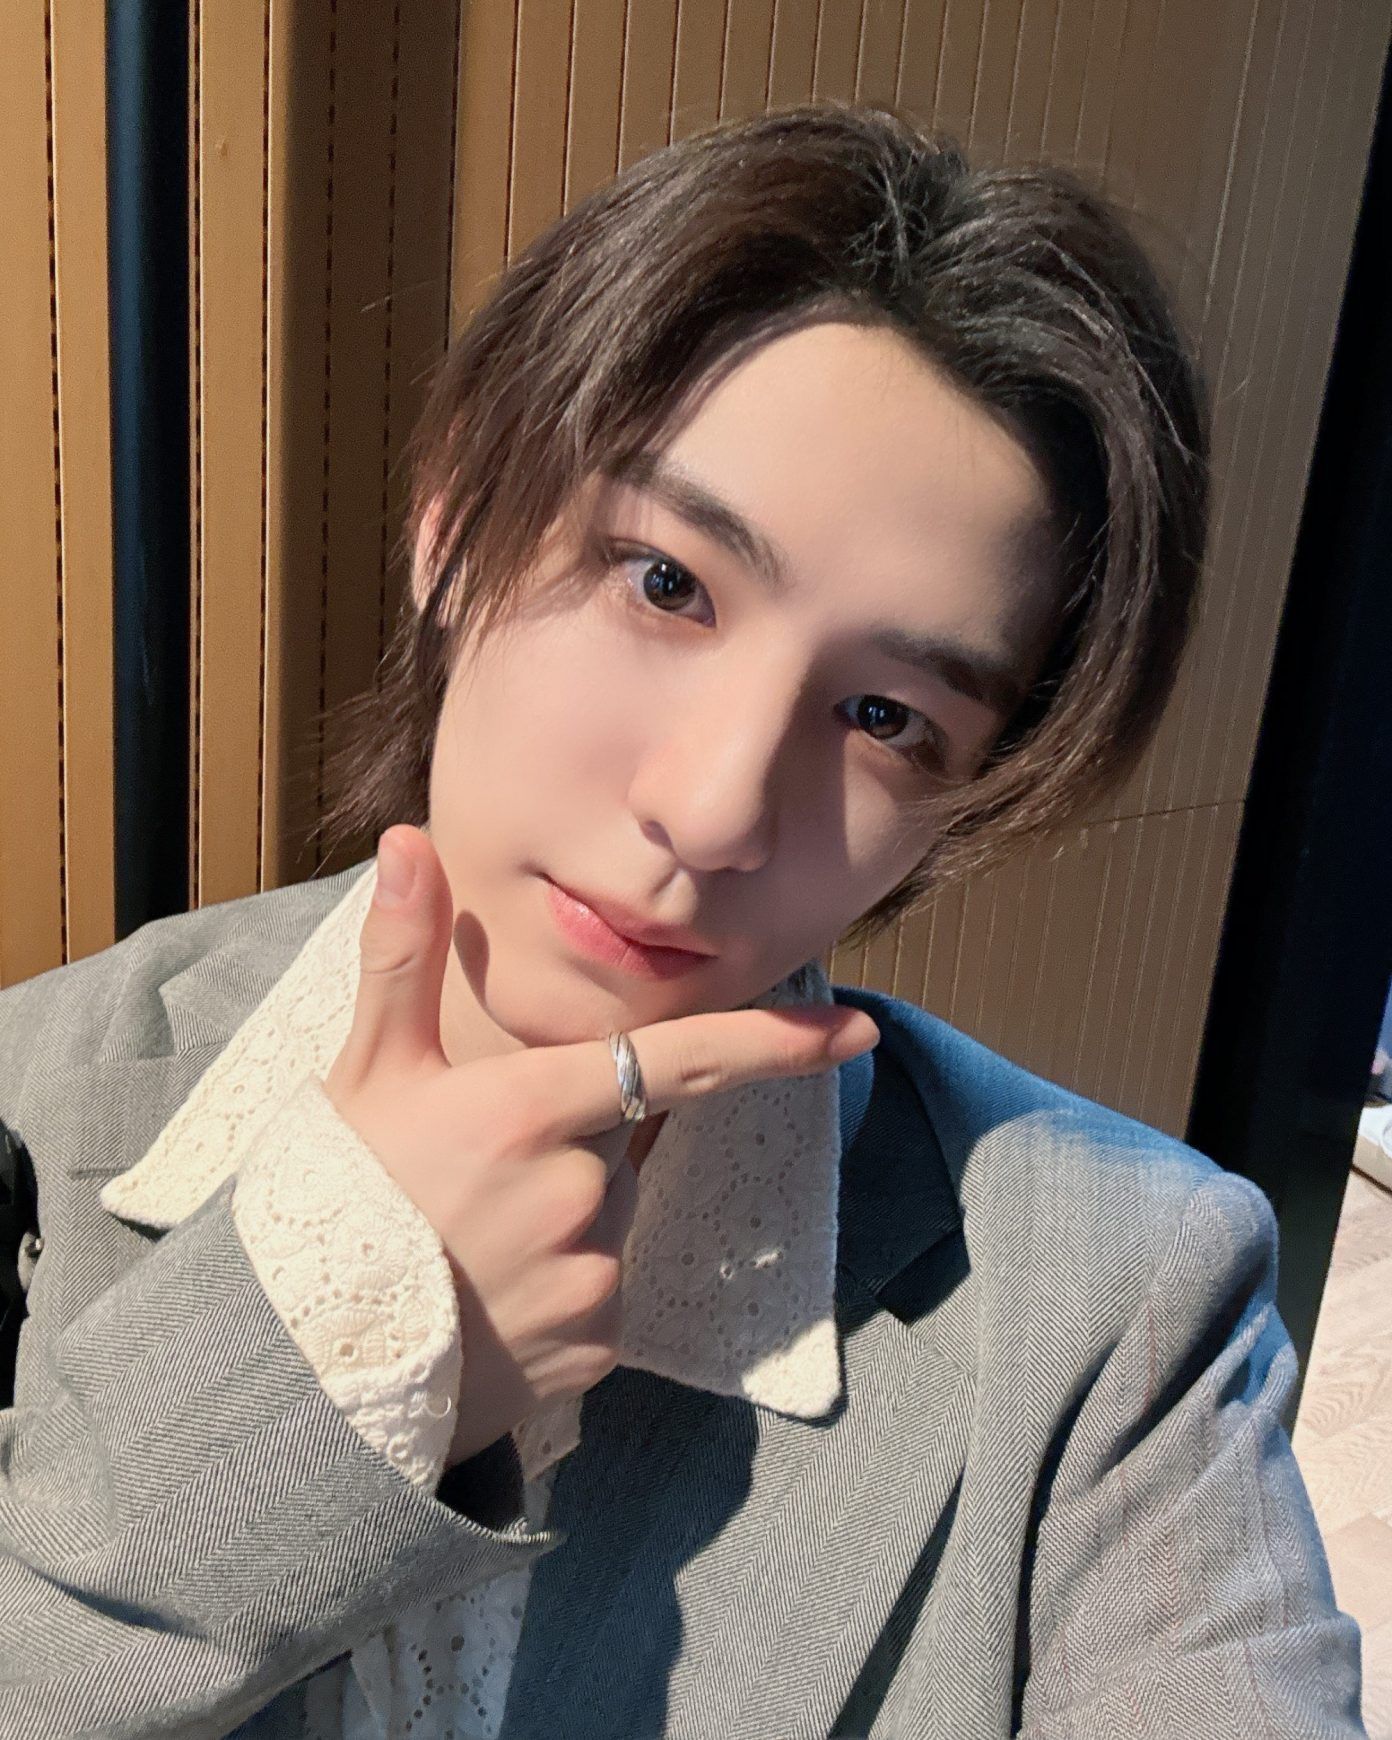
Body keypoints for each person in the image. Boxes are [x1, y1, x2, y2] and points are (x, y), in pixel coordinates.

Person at [0, 101, 1367, 1738]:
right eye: (665, 583)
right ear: (453, 523)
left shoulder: (1112, 1304)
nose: (716, 810)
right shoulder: (34, 1100)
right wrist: (324, 1370)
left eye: (885, 719)